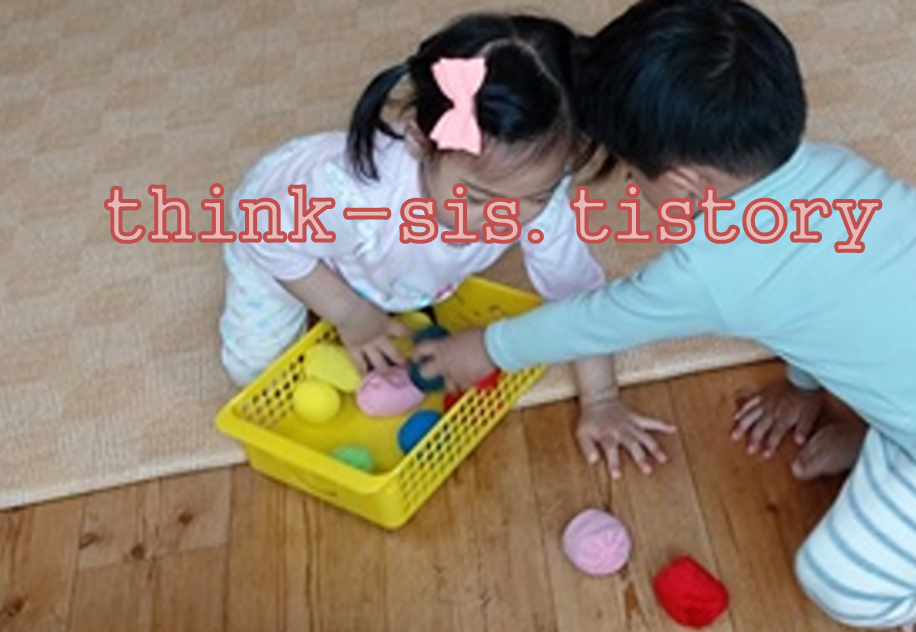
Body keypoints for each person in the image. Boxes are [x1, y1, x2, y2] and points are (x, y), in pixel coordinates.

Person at [413, 2, 916, 629]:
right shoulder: (836, 168)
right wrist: (803, 386)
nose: (631, 184)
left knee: (838, 580)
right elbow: (834, 300)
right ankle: (886, 434)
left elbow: (596, 319)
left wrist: (485, 347)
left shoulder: (713, 270)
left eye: (631, 171)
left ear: (683, 186)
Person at [218, 12, 674, 478]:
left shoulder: (538, 195)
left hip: (372, 259)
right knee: (253, 373)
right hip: (275, 233)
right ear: (419, 140)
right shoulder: (352, 197)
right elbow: (265, 236)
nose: (503, 218)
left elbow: (577, 298)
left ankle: (375, 289)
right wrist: (349, 314)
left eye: (534, 197)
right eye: (478, 198)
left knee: (396, 289)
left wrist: (601, 400)